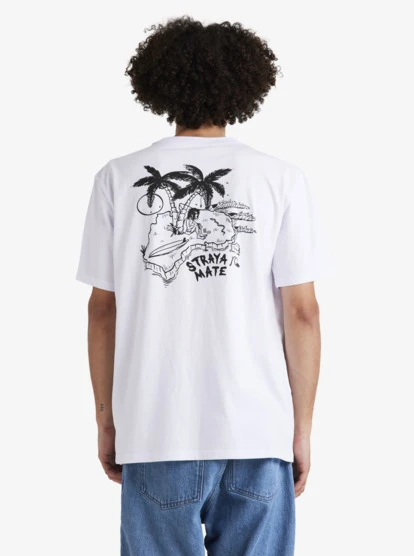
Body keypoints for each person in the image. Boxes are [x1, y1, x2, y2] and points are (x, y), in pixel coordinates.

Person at [76, 15, 332, 556]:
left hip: (154, 431)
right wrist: (301, 429)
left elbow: (102, 311)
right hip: (258, 432)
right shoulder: (280, 178)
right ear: (244, 86)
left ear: (159, 85)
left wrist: (107, 421)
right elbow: (302, 313)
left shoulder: (117, 178)